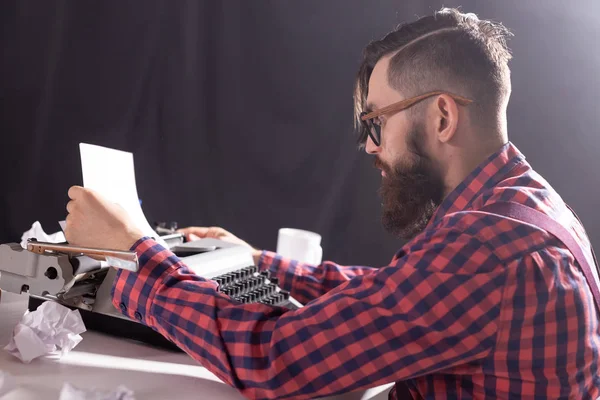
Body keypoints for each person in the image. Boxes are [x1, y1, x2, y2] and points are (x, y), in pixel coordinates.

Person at [63, 7, 600, 399]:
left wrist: (137, 248)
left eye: (376, 122)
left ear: (441, 117)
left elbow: (274, 358)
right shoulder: (522, 208)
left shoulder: (487, 248)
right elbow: (395, 297)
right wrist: (257, 262)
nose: (369, 146)